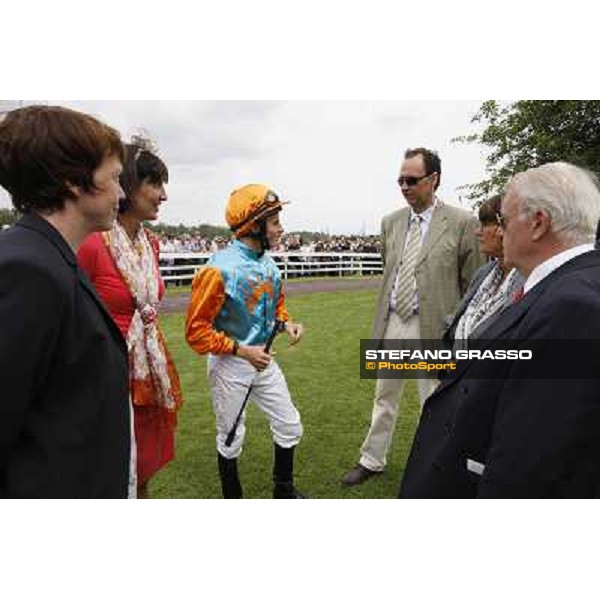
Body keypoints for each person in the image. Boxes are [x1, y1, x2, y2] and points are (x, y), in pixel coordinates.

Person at [400, 162, 600, 498]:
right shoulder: (564, 287)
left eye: (503, 221)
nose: (498, 231)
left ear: (537, 223)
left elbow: (533, 460)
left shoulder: (573, 306)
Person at [0, 105, 131, 498]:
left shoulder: (48, 258)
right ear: (74, 181)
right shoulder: (27, 269)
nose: (121, 194)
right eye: (115, 179)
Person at [342, 147, 483, 486]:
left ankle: (433, 464)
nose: (404, 186)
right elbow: (389, 267)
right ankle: (371, 460)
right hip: (394, 320)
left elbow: (473, 281)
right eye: (400, 180)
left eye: (412, 180)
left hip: (435, 325)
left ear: (433, 179)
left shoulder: (463, 222)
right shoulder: (391, 222)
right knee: (384, 396)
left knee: (433, 401)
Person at [78, 139, 183, 499]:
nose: (163, 195)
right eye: (154, 183)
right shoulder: (93, 244)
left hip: (145, 374)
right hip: (105, 377)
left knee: (143, 472)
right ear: (126, 185)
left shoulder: (149, 243)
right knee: (112, 473)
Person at [185, 184, 306, 499]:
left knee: (290, 425)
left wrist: (287, 324)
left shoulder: (268, 263)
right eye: (275, 221)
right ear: (255, 225)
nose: (281, 229)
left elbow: (273, 308)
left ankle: (283, 490)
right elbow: (196, 332)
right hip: (230, 365)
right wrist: (240, 350)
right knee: (230, 437)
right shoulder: (218, 269)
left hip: (263, 360)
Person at [443, 194, 525, 349]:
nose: (477, 232)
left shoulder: (528, 280)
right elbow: (461, 318)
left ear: (503, 228)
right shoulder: (484, 273)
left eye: (484, 225)